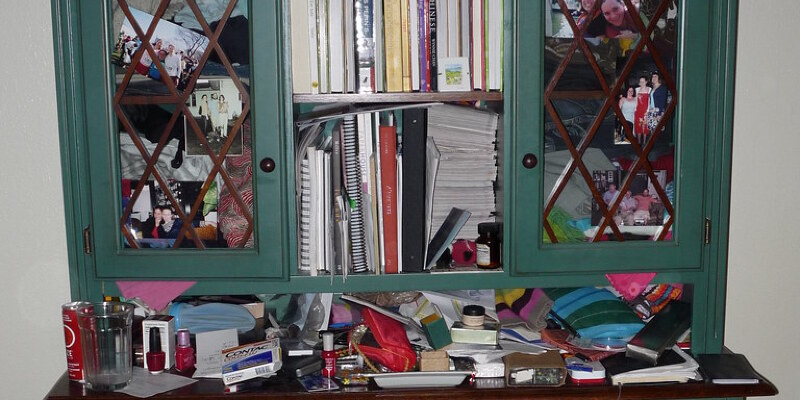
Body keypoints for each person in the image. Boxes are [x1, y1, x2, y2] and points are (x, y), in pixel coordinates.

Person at [634, 76, 651, 142]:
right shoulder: (637, 89)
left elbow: (650, 101)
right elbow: (636, 100)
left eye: (643, 81)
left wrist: (648, 111)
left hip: (645, 111)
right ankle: (639, 142)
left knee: (645, 126)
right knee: (638, 126)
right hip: (638, 110)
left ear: (646, 82)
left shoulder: (649, 89)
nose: (642, 83)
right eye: (640, 81)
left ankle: (644, 142)